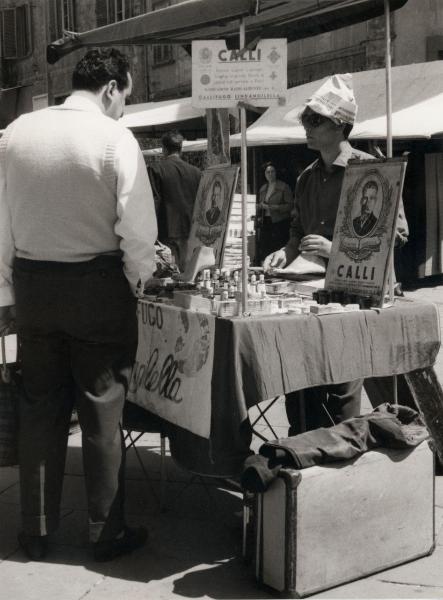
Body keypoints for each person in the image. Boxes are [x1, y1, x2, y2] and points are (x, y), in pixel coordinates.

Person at [0, 49, 158, 562]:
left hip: (35, 288)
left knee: (39, 407)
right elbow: (138, 232)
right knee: (102, 407)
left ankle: (35, 530)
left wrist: (7, 292)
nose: (124, 108)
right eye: (126, 96)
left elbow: (1, 224)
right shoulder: (116, 139)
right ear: (111, 87)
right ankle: (103, 530)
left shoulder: (16, 133)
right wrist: (138, 281)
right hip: (96, 285)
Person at [263, 73, 408, 436]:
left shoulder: (370, 170)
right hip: (310, 297)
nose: (306, 128)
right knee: (300, 387)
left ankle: (338, 472)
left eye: (315, 120)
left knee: (342, 391)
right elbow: (297, 230)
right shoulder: (307, 178)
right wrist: (284, 252)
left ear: (340, 126)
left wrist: (336, 250)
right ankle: (300, 463)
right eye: (305, 120)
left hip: (354, 297)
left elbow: (398, 234)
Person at [148, 130, 202, 270]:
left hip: (166, 231)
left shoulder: (156, 169)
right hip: (190, 231)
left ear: (163, 149)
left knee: (168, 275)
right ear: (181, 149)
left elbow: (153, 202)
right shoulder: (196, 172)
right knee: (187, 274)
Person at [256, 161, 293, 261]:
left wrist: (271, 207)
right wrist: (259, 206)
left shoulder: (284, 187)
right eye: (268, 172)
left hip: (280, 222)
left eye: (272, 171)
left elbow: (290, 206)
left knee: (278, 246)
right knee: (266, 246)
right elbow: (261, 203)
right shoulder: (263, 188)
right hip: (266, 221)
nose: (270, 174)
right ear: (265, 174)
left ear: (276, 173)